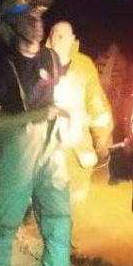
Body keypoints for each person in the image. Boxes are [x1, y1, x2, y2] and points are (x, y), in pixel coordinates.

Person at [0, 0, 79, 266]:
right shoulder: (3, 67)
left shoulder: (51, 59)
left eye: (40, 17)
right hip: (15, 154)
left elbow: (61, 96)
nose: (38, 23)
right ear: (12, 24)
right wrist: (37, 116)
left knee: (59, 222)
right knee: (4, 225)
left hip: (50, 151)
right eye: (30, 18)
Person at [45, 21, 113, 209]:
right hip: (45, 149)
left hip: (75, 151)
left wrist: (102, 138)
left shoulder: (84, 66)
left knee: (69, 203)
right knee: (44, 201)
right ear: (50, 38)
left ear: (72, 39)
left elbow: (98, 107)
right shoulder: (40, 63)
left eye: (63, 36)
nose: (59, 40)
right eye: (55, 35)